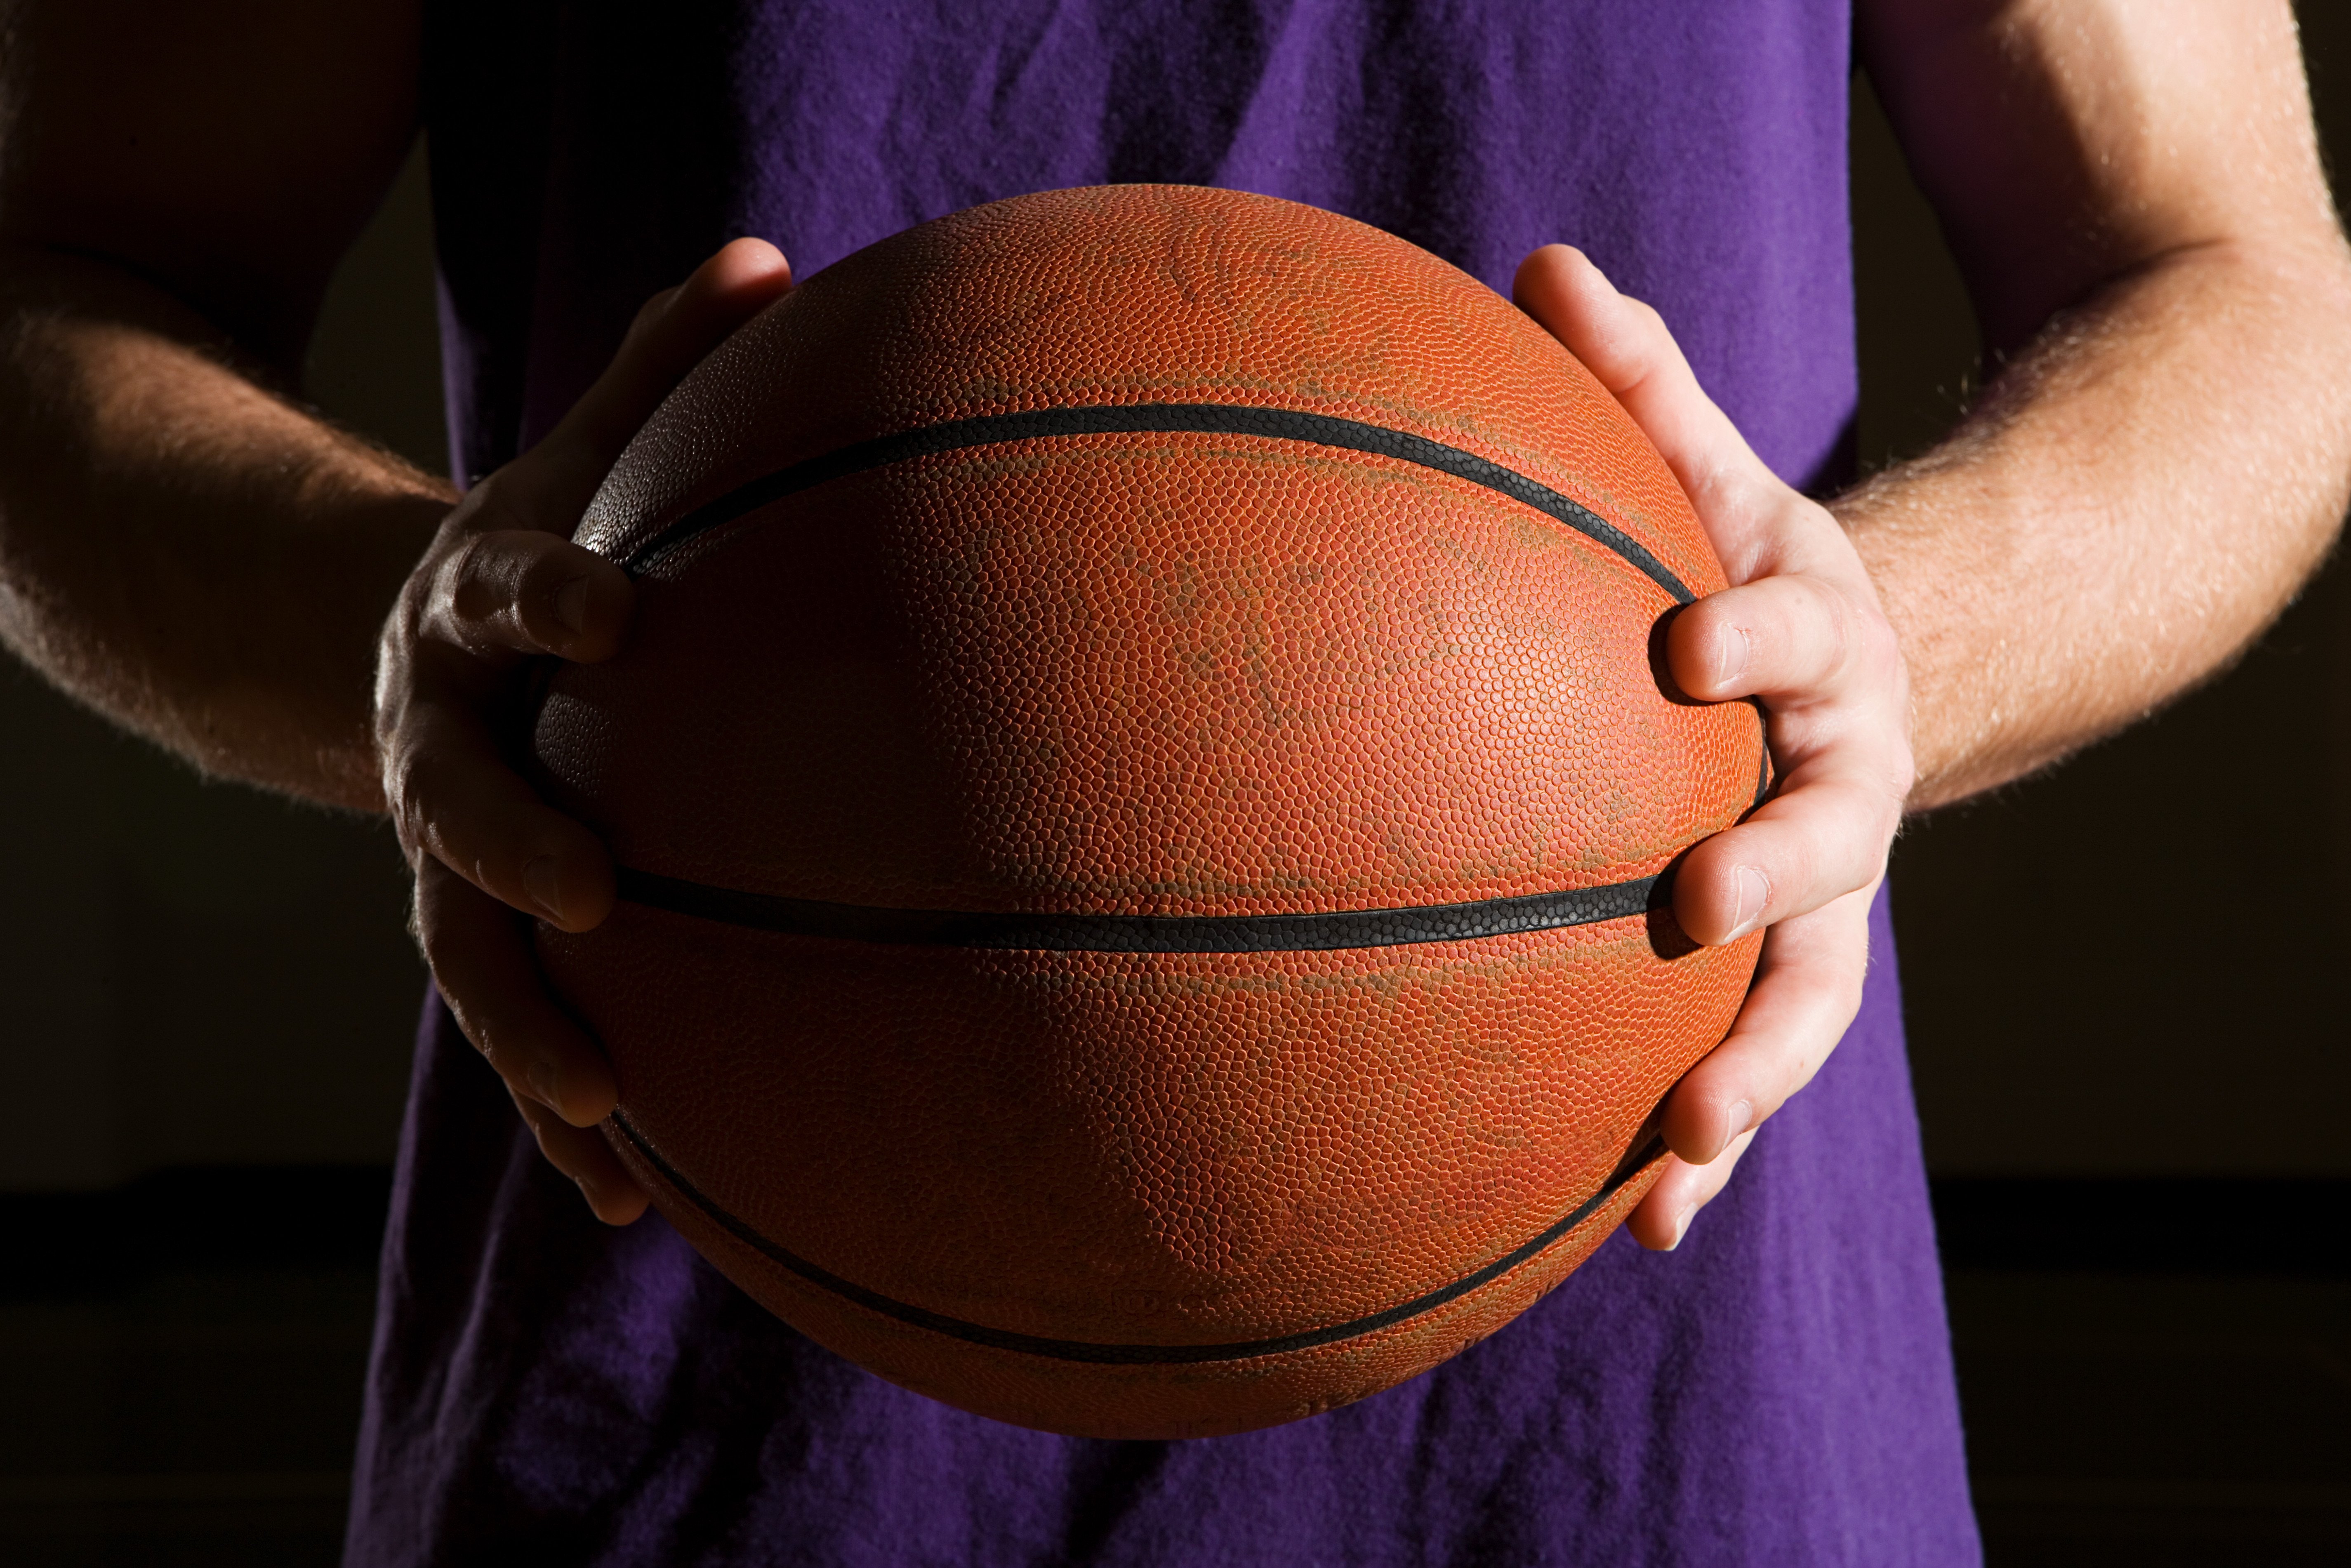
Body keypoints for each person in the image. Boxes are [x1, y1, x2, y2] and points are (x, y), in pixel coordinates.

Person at [2, 0, 2343, 1561]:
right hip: (688, 1406)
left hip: (1669, 1413)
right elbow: (70, 288)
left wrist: (1869, 659)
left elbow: (2240, 280)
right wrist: (411, 651)